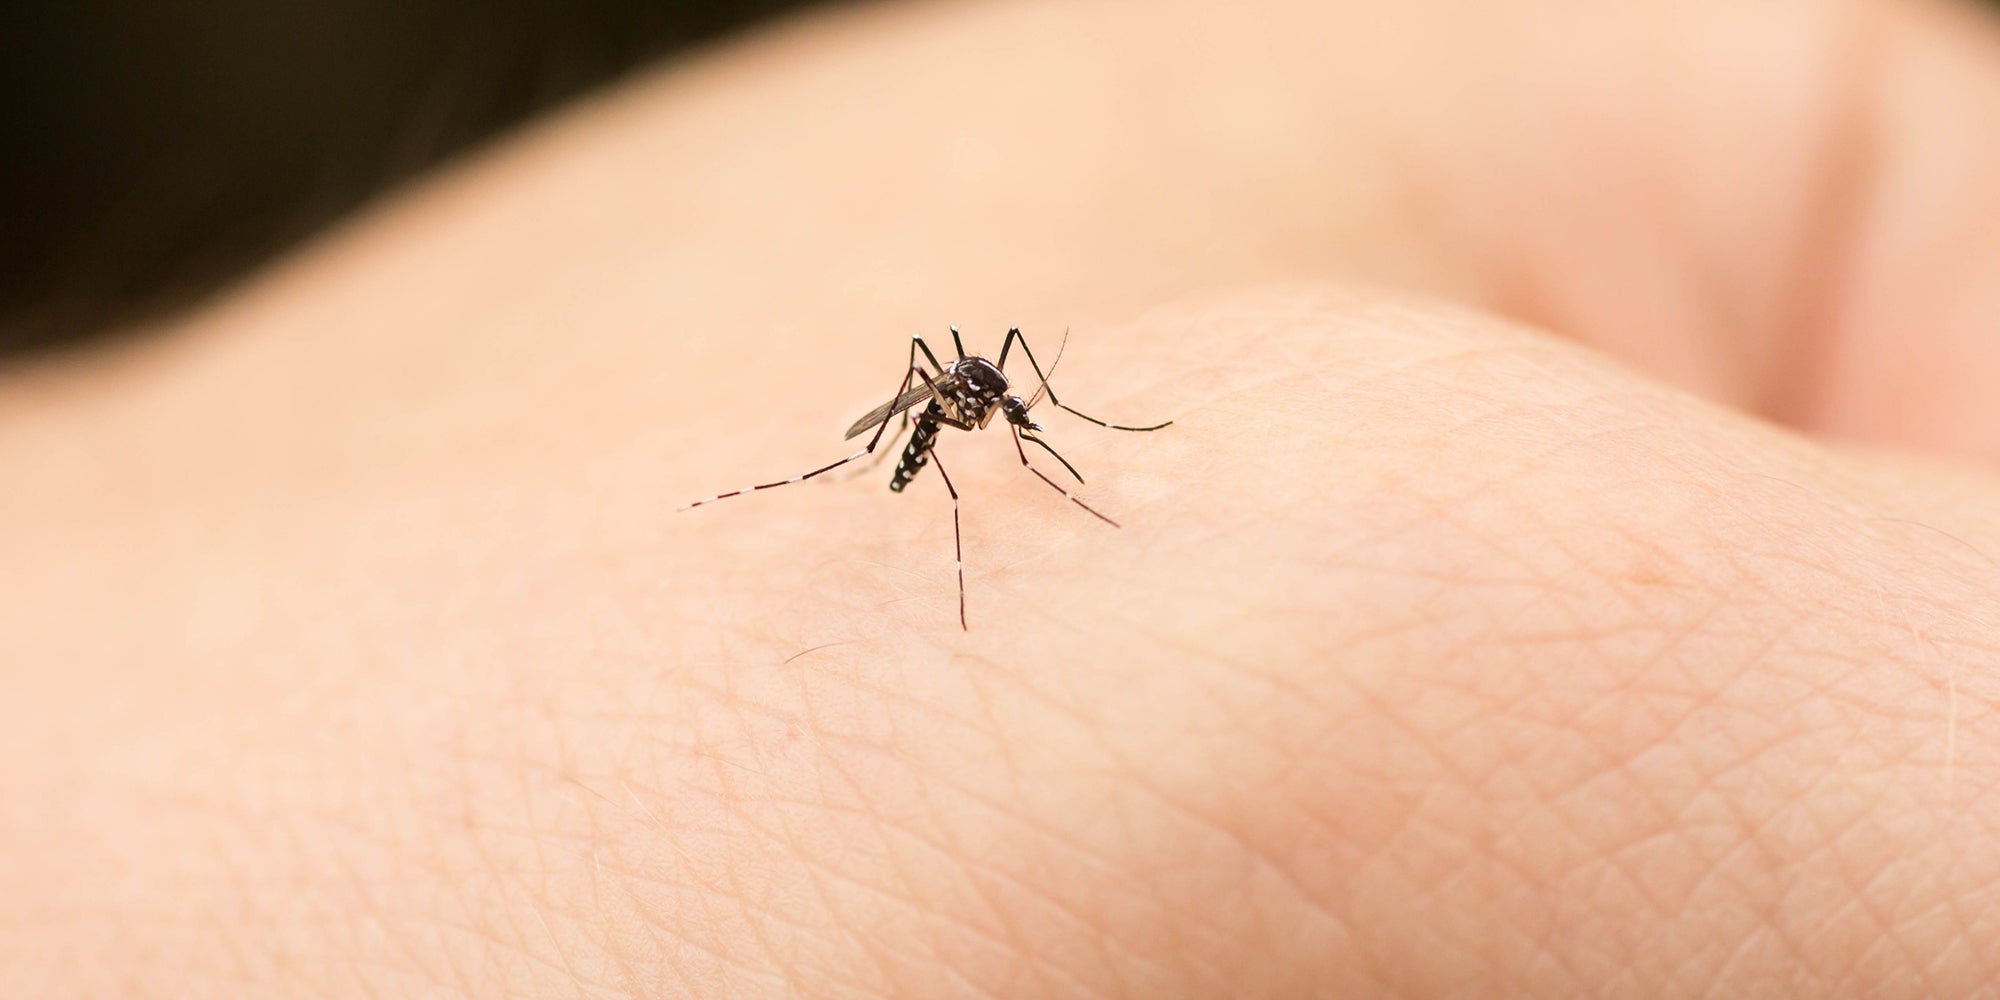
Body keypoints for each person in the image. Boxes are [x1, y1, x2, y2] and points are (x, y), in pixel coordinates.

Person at [7, 0, 2000, 993]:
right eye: (984, 404)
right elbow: (963, 391)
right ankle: (935, 482)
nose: (986, 399)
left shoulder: (987, 367)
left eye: (984, 405)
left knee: (1000, 383)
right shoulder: (949, 409)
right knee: (970, 412)